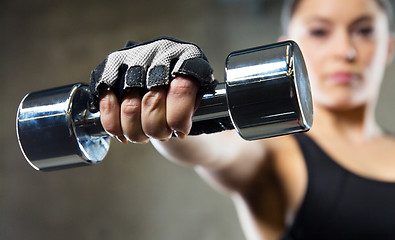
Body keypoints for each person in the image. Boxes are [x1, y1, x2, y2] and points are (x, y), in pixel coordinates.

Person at [89, 0, 395, 239]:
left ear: (389, 47)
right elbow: (213, 149)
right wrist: (167, 87)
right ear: (288, 43)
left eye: (364, 30)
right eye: (319, 31)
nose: (345, 50)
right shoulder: (274, 151)